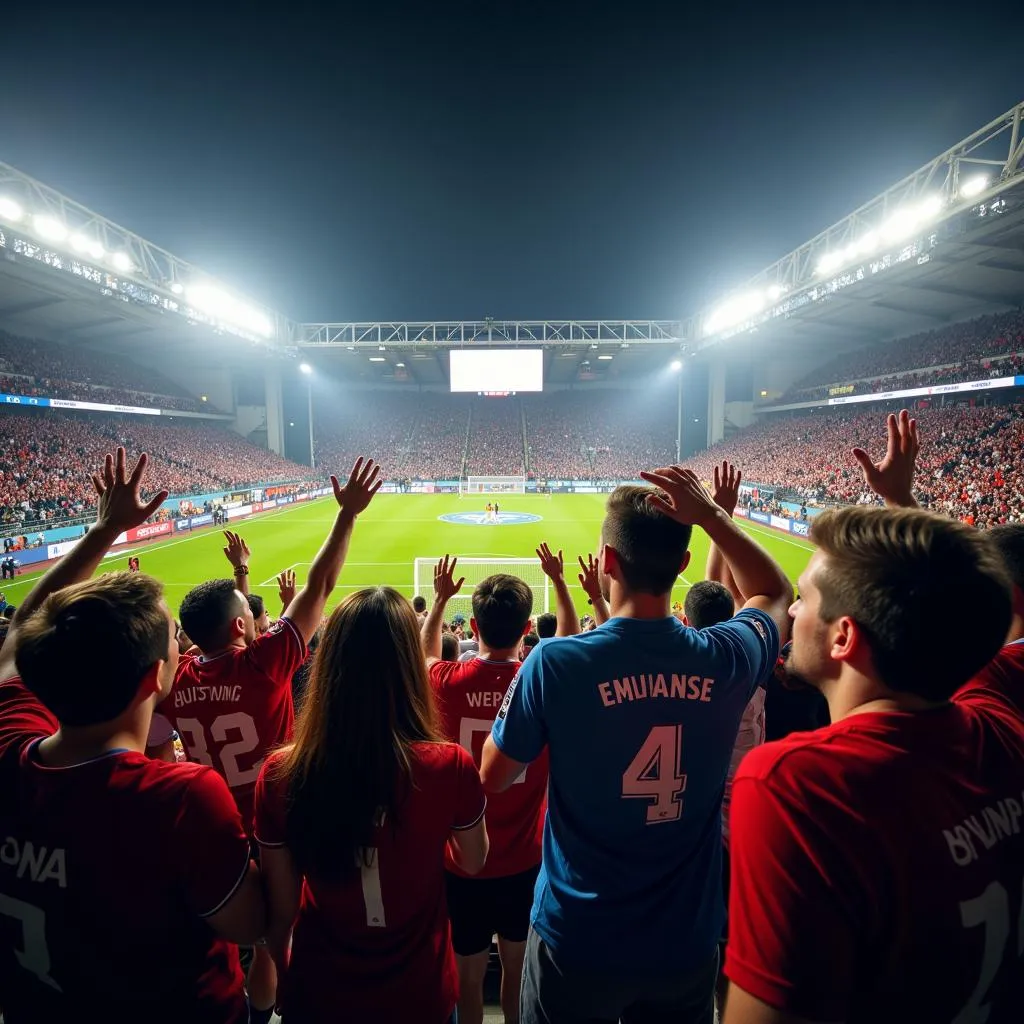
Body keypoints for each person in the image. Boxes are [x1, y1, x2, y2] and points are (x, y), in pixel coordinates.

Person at [723, 410, 1024, 1023]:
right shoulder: (1002, 725)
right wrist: (901, 505)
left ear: (843, 638)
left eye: (804, 598)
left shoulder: (796, 785)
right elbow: (965, 603)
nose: (794, 609)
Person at [483, 472, 790, 1024]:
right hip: (684, 938)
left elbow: (495, 776)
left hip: (577, 936)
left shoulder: (555, 663)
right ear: (683, 562)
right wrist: (715, 515)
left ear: (605, 560)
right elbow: (775, 591)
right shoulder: (725, 657)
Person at [0, 448, 265, 1022]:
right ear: (156, 676)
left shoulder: (8, 752)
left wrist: (103, 532)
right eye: (174, 637)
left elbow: (21, 631)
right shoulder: (180, 798)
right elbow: (252, 922)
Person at [153, 460, 381, 1021]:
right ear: (240, 627)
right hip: (275, 817)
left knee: (228, 932)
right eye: (245, 616)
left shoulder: (175, 681)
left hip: (211, 822)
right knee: (280, 932)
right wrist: (346, 514)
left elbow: (161, 739)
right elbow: (319, 586)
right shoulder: (263, 665)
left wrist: (241, 581)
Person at [255, 587, 489, 1023]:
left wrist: (288, 978)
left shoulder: (278, 774)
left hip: (320, 988)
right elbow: (473, 861)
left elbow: (280, 912)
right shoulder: (449, 765)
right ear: (408, 666)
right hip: (421, 991)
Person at [423, 546, 574, 1024]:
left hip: (462, 861)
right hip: (524, 859)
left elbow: (425, 654)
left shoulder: (446, 680)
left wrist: (440, 599)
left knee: (466, 980)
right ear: (528, 628)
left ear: (472, 628)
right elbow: (571, 643)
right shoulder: (544, 681)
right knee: (517, 975)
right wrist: (566, 585)